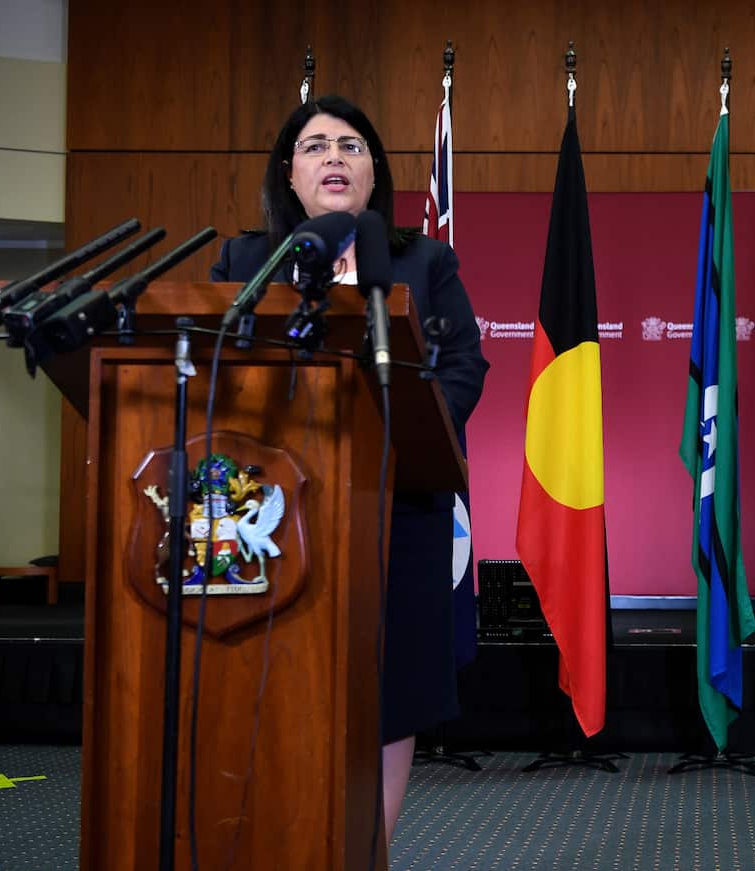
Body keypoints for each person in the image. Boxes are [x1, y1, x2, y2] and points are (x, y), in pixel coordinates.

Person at [211, 94, 489, 838]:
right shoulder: (245, 260)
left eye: (352, 146)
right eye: (315, 146)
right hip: (263, 514)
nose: (334, 156)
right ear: (288, 177)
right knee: (266, 682)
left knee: (387, 695)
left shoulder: (422, 259)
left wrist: (407, 429)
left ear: (374, 175)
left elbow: (465, 365)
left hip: (394, 508)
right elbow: (214, 371)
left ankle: (369, 849)